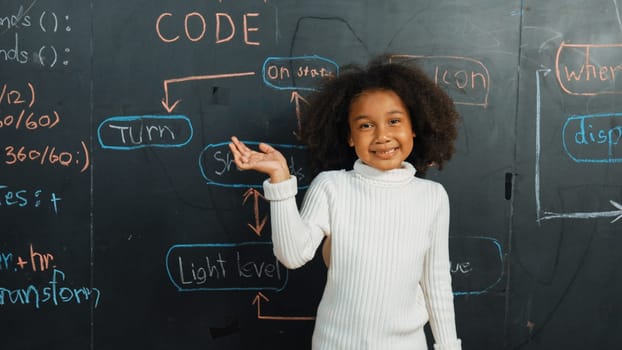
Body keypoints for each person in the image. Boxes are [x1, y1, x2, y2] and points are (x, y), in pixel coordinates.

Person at [229, 55, 461, 350]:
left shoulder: (433, 197)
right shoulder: (332, 187)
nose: (383, 136)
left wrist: (448, 347)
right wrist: (280, 180)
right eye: (366, 126)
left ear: (414, 126)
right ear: (350, 137)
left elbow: (437, 284)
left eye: (394, 121)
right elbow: (292, 255)